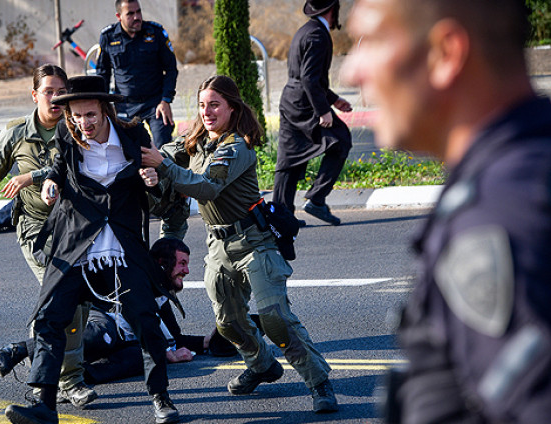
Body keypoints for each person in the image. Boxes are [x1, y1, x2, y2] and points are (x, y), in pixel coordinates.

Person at [344, 0, 551, 422]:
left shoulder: (501, 211)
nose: (352, 71)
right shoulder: (523, 170)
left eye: (375, 41)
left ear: (446, 53)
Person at [141, 75, 339, 413]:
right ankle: (261, 365)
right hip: (218, 245)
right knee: (228, 323)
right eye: (202, 105)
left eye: (215, 104)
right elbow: (165, 160)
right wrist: (153, 173)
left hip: (255, 244)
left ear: (233, 108)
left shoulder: (238, 146)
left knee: (275, 319)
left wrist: (164, 168)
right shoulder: (195, 141)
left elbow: (206, 188)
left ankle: (319, 382)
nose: (207, 111)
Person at [2, 75, 180, 424]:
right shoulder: (68, 137)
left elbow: (156, 185)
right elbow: (56, 169)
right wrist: (51, 183)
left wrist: (152, 180)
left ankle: (161, 399)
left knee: (145, 320)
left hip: (121, 246)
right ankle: (44, 404)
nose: (84, 123)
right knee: (50, 320)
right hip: (76, 245)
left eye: (90, 114)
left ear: (105, 110)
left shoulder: (133, 137)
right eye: (77, 115)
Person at [0, 64, 97, 409]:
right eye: (49, 92)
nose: (57, 99)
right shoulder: (16, 133)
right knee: (59, 298)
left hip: (75, 228)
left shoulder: (78, 129)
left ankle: (55, 374)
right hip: (35, 227)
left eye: (62, 92)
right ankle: (65, 381)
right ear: (35, 95)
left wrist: (34, 175)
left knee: (81, 304)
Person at [0, 238, 241, 387]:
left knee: (139, 358)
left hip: (123, 341)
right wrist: (167, 353)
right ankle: (19, 349)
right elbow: (117, 309)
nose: (186, 271)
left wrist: (207, 341)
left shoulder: (163, 295)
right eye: (182, 264)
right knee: (102, 334)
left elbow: (173, 337)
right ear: (163, 264)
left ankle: (80, 376)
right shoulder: (141, 281)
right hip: (104, 321)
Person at [272, 0, 352, 226]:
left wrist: (334, 100)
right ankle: (317, 199)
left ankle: (282, 215)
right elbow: (309, 78)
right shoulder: (318, 35)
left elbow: (306, 77)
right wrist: (323, 111)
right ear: (333, 9)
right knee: (341, 139)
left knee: (290, 158)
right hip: (305, 105)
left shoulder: (305, 30)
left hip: (291, 100)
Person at [97, 0, 178, 149]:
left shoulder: (155, 32)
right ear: (119, 16)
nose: (137, 17)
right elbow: (102, 74)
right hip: (124, 106)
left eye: (138, 12)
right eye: (130, 14)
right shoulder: (108, 37)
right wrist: (103, 104)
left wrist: (166, 100)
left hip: (155, 105)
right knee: (127, 152)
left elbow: (171, 69)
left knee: (164, 149)